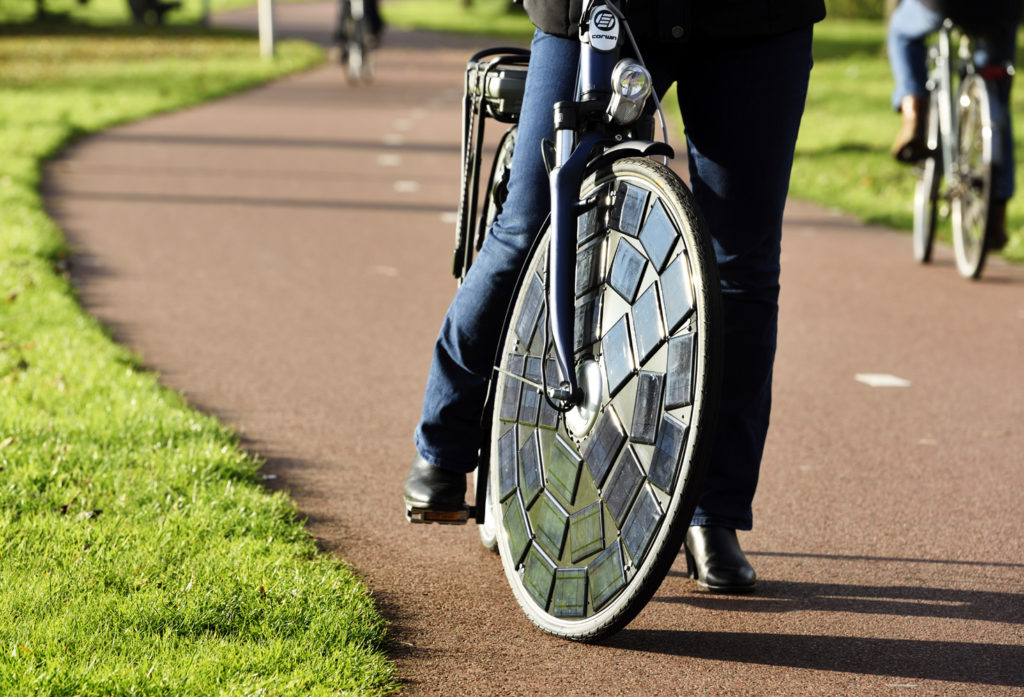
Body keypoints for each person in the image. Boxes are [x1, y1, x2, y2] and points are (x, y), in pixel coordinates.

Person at [403, 0, 826, 594]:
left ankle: (714, 515)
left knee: (741, 268)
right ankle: (444, 445)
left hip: (753, 22)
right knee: (531, 226)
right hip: (597, 6)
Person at [888, 0, 1021, 249]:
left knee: (900, 31)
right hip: (1003, 9)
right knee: (998, 103)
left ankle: (914, 110)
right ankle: (996, 214)